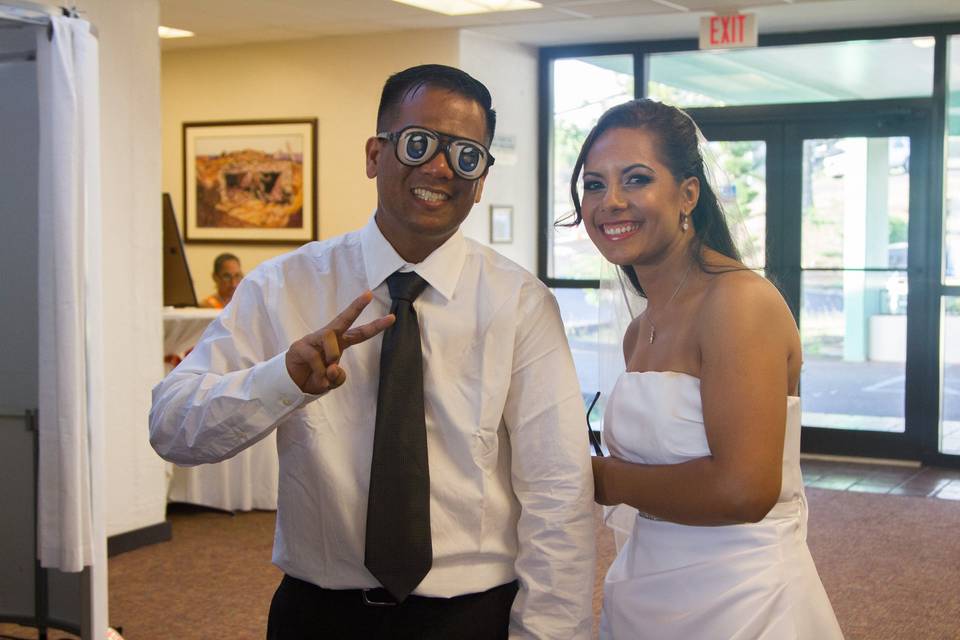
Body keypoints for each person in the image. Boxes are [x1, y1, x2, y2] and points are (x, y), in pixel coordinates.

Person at [150, 64, 595, 639]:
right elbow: (171, 428)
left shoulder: (520, 303)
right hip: (320, 615)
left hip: (470, 616)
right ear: (373, 155)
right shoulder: (283, 287)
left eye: (465, 155)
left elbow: (558, 489)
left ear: (481, 181)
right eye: (418, 144)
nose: (440, 167)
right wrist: (279, 381)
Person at [571, 99, 843, 639]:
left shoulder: (738, 303)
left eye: (637, 179)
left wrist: (603, 478)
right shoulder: (638, 329)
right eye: (595, 184)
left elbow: (744, 489)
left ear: (688, 194)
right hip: (646, 584)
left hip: (742, 598)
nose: (611, 202)